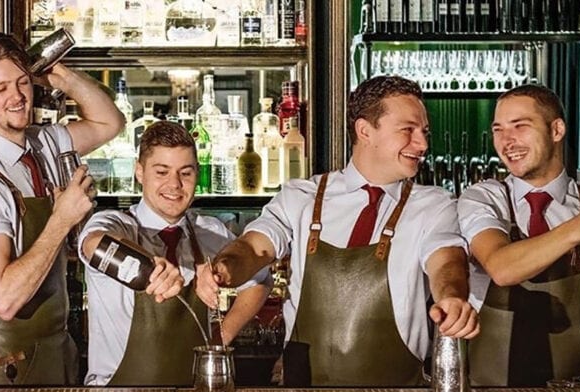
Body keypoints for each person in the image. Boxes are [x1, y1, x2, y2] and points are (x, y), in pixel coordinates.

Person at [206, 76, 480, 387]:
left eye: (424, 133)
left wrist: (453, 298)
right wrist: (224, 269)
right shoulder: (301, 196)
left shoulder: (433, 204)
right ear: (365, 131)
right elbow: (255, 248)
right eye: (408, 130)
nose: (423, 144)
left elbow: (446, 261)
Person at [0, 32, 124, 385]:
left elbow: (110, 123)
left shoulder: (44, 142)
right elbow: (4, 299)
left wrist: (65, 77)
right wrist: (62, 220)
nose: (16, 97)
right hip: (8, 365)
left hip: (55, 350)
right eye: (0, 89)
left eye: (22, 82)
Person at [459, 84, 580, 386]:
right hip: (483, 384)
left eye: (520, 127)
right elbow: (501, 268)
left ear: (556, 130)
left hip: (572, 382)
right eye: (498, 130)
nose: (506, 141)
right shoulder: (484, 197)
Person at [78, 121, 272, 386]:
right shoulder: (116, 223)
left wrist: (220, 338)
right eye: (161, 172)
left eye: (186, 173)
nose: (175, 184)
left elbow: (260, 278)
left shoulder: (209, 231)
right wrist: (149, 268)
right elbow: (93, 244)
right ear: (139, 172)